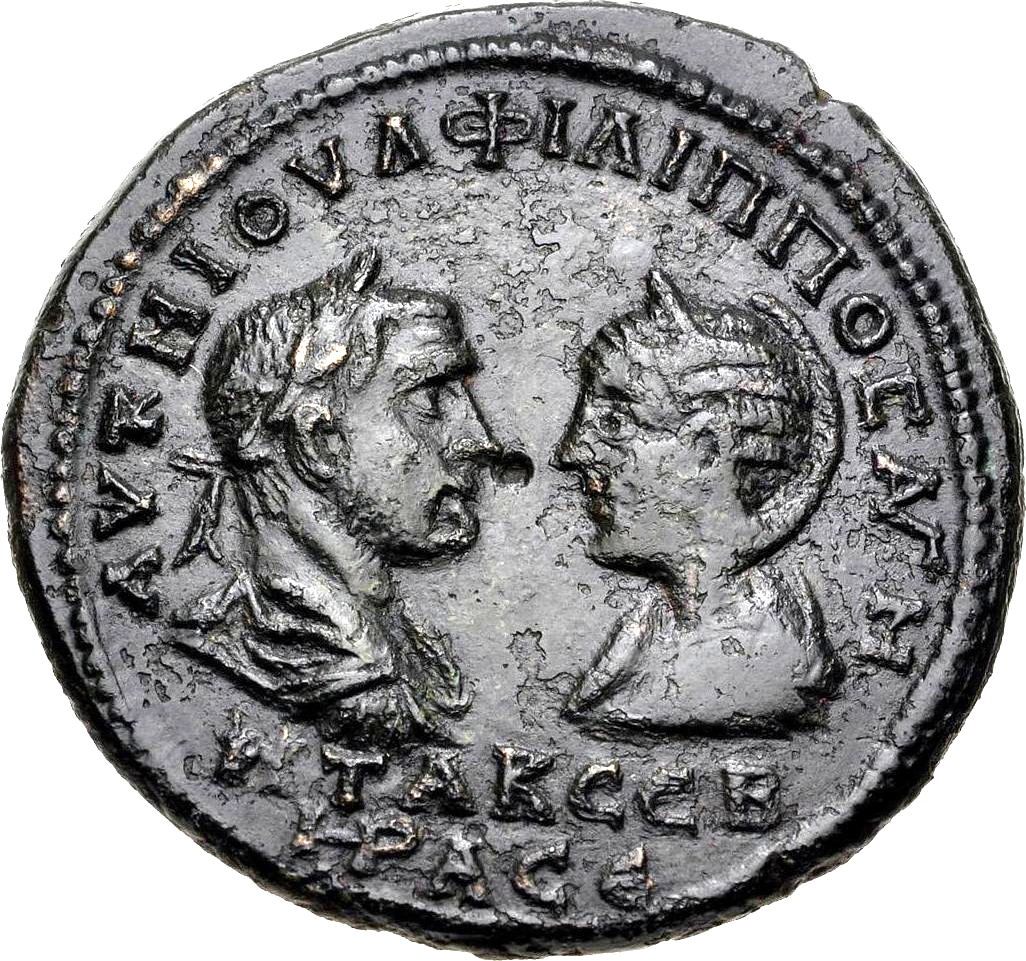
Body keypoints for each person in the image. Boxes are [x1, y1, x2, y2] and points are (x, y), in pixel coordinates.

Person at [171, 248, 499, 748]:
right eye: (431, 399)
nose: (481, 439)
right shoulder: (278, 658)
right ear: (318, 442)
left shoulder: (394, 642)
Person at [555, 268, 844, 735]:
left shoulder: (773, 665)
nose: (569, 453)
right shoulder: (647, 634)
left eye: (613, 423)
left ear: (706, 450)